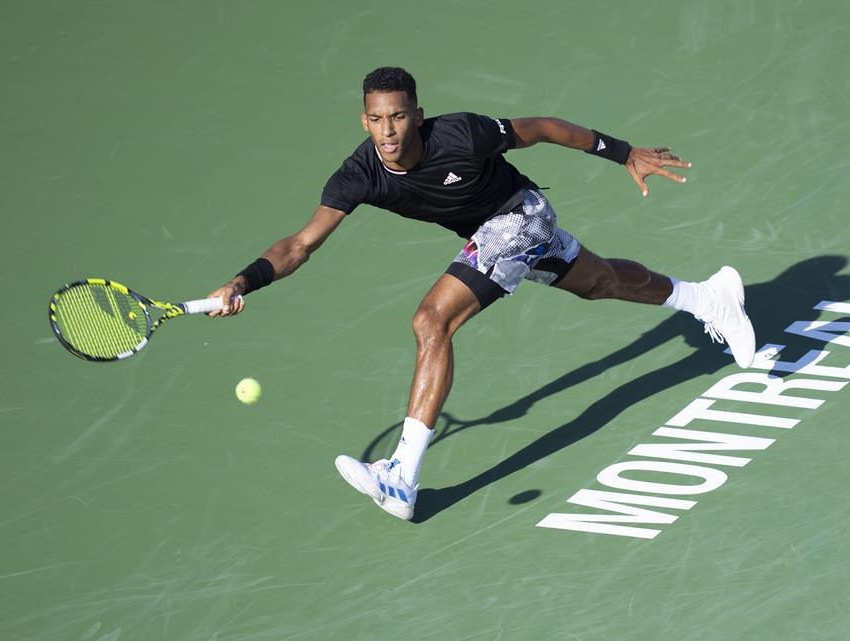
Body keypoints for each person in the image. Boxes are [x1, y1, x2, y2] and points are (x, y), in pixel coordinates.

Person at [207, 66, 756, 521]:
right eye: (376, 119)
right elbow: (301, 244)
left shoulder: (461, 134)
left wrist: (623, 152)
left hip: (519, 216)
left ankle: (401, 475)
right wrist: (242, 281)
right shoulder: (358, 174)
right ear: (364, 121)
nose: (388, 131)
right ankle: (709, 298)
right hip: (496, 233)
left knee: (432, 321)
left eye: (398, 116)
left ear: (416, 115)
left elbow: (540, 127)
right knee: (601, 282)